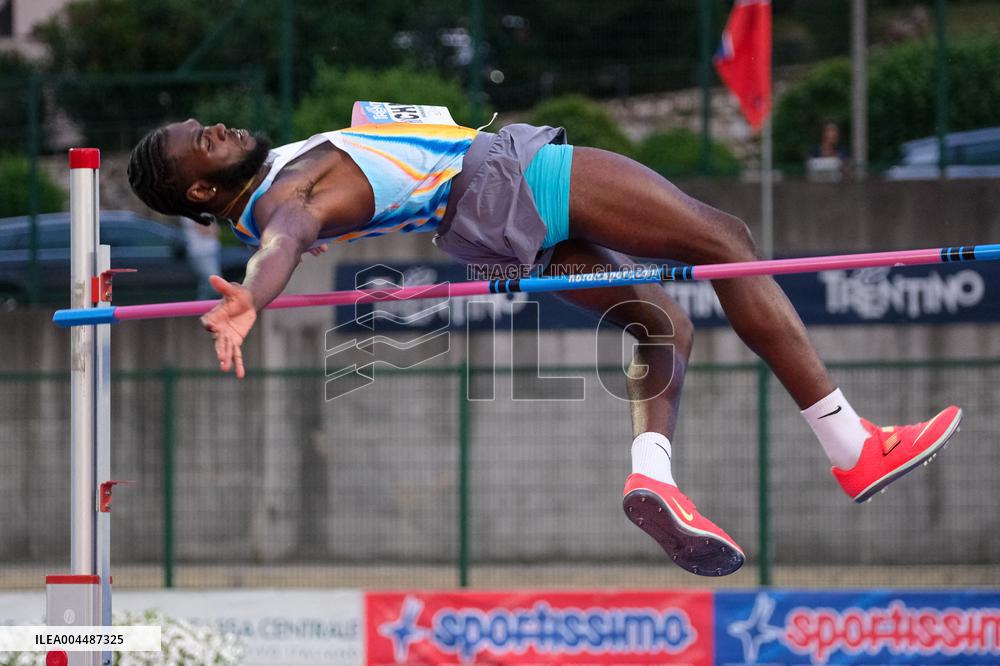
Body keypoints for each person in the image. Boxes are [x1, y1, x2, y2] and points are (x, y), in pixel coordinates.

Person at [127, 118, 962, 577]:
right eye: (202, 140)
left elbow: (285, 232)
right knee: (731, 240)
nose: (216, 127)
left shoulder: (274, 187)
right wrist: (254, 295)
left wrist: (263, 274)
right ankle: (851, 443)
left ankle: (655, 476)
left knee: (659, 322)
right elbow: (288, 236)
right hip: (505, 178)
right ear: (203, 189)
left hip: (477, 226)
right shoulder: (287, 198)